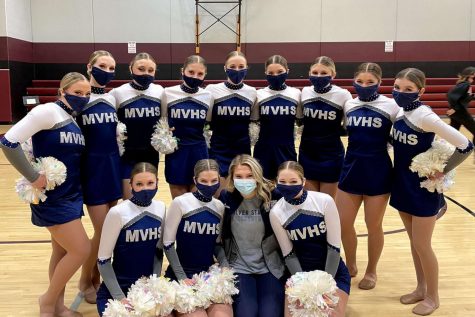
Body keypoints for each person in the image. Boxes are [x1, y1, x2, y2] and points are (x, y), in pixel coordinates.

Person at [0, 72, 91, 317]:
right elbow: (8, 142)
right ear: (62, 91)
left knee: (61, 251)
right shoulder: (47, 111)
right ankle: (48, 300)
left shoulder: (72, 120)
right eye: (77, 93)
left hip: (72, 194)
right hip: (52, 196)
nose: (82, 98)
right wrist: (32, 176)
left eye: (86, 94)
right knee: (81, 249)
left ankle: (57, 308)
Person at [390, 68, 473, 315]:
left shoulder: (425, 116)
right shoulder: (399, 112)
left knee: (423, 245)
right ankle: (420, 288)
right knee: (414, 243)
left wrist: (442, 171)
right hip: (402, 184)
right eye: (397, 87)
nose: (401, 93)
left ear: (421, 91)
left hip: (422, 188)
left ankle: (433, 298)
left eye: (408, 89)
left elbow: (465, 145)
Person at [335, 62, 399, 290]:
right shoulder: (349, 104)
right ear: (353, 81)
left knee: (373, 225)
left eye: (370, 82)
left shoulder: (391, 106)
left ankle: (372, 271)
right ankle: (351, 265)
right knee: (343, 224)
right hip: (351, 168)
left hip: (378, 171)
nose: (364, 86)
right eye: (360, 81)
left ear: (380, 83)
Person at [270, 161, 350, 317]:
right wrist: (304, 286)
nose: (288, 186)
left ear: (303, 181)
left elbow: (334, 247)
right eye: (283, 182)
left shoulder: (324, 201)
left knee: (328, 313)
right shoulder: (276, 212)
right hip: (299, 275)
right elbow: (289, 254)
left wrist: (324, 285)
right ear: (276, 182)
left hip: (332, 272)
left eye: (293, 182)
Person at [75, 50, 121, 305]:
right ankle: (85, 279)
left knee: (109, 228)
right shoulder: (80, 98)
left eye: (112, 67)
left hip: (113, 165)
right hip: (91, 169)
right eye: (102, 65)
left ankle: (97, 274)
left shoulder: (114, 97)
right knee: (102, 230)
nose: (107, 70)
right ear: (90, 67)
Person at [96, 162, 166, 316]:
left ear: (157, 183)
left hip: (146, 289)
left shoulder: (161, 208)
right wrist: (120, 298)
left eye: (150, 183)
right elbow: (103, 261)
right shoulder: (118, 212)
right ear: (131, 185)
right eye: (139, 184)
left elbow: (158, 252)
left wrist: (153, 284)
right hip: (116, 291)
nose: (145, 188)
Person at [219, 154, 285, 317]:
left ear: (258, 175)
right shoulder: (226, 197)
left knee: (269, 314)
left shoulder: (273, 195)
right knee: (246, 313)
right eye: (239, 176)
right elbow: (219, 238)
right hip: (239, 266)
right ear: (232, 178)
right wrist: (224, 265)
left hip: (270, 266)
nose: (245, 180)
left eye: (250, 176)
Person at [163, 159, 231, 317]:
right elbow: (167, 244)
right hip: (181, 274)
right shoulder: (180, 203)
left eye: (214, 181)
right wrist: (181, 277)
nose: (209, 185)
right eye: (204, 181)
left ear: (220, 180)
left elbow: (218, 244)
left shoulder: (219, 206)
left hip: (208, 275)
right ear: (195, 180)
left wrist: (225, 266)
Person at [110, 52, 164, 199]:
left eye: (150, 70)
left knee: (147, 197)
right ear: (131, 68)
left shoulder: (160, 91)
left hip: (151, 153)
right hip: (127, 155)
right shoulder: (118, 93)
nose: (146, 73)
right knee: (130, 200)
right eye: (141, 69)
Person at [299, 56, 352, 198]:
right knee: (311, 202)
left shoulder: (343, 95)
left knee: (327, 203)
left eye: (323, 73)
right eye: (315, 72)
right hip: (307, 154)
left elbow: (347, 127)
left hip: (331, 155)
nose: (318, 76)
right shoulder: (305, 92)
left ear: (333, 74)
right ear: (309, 73)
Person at [163, 55, 213, 198]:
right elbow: (162, 122)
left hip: (199, 151)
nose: (195, 77)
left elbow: (208, 123)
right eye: (191, 72)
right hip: (177, 152)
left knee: (198, 201)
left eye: (200, 74)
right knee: (179, 202)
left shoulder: (208, 95)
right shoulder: (168, 93)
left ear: (205, 75)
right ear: (182, 71)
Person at [205, 51, 257, 190]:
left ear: (247, 68)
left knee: (241, 194)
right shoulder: (212, 90)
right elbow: (207, 121)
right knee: (220, 195)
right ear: (225, 68)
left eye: (241, 66)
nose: (237, 70)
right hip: (219, 149)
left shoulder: (252, 92)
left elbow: (253, 121)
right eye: (232, 66)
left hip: (242, 150)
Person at [252, 55, 302, 179]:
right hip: (264, 149)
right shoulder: (259, 94)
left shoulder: (296, 94)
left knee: (287, 188)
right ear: (265, 73)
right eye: (271, 73)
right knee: (263, 191)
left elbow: (300, 120)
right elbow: (254, 122)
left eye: (280, 72)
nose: (275, 75)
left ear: (287, 71)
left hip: (287, 149)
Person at [447, 66, 475, 144]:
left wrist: (472, 96)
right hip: (460, 112)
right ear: (471, 74)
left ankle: (446, 147)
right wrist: (454, 108)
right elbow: (450, 95)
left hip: (457, 113)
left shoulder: (464, 84)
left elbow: (464, 97)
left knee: (453, 133)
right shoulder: (465, 84)